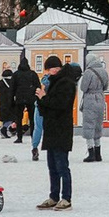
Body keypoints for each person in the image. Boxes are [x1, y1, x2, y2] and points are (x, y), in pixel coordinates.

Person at [37, 54, 79, 208]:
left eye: (48, 69)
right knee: (52, 166)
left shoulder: (66, 83)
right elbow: (45, 108)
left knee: (62, 166)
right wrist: (40, 98)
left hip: (61, 129)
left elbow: (60, 104)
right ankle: (54, 196)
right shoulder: (54, 83)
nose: (47, 73)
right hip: (52, 129)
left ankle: (66, 198)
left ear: (55, 68)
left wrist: (44, 98)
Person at [7, 54, 41, 155]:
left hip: (20, 99)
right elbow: (38, 86)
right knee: (32, 119)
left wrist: (11, 100)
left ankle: (19, 137)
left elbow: (12, 88)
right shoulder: (32, 74)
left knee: (19, 118)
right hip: (31, 99)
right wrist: (37, 98)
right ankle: (32, 136)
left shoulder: (16, 74)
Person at [79, 54, 109, 161]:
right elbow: (106, 86)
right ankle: (98, 153)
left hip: (90, 99)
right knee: (97, 125)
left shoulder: (88, 72)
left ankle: (91, 153)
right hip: (100, 98)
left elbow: (83, 87)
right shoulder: (104, 71)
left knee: (89, 125)